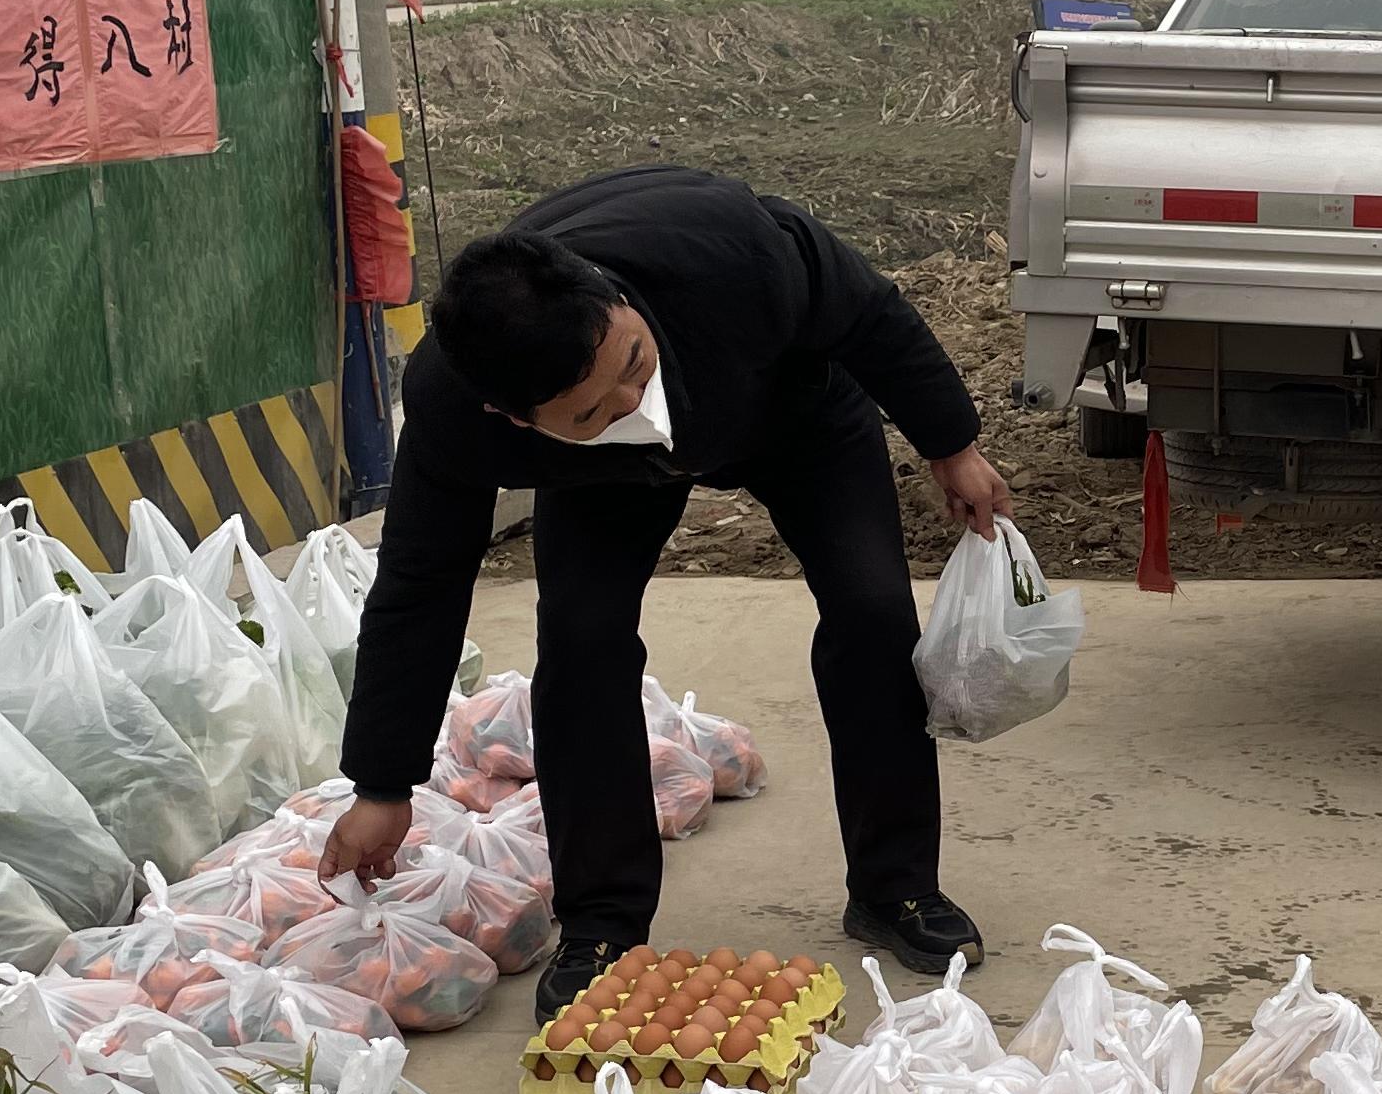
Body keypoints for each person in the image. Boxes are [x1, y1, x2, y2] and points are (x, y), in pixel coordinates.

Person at [327, 165, 1014, 1011]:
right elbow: (418, 586)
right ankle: (602, 926)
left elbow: (867, 308)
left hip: (786, 408)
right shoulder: (453, 412)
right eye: (594, 409)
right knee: (582, 650)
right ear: (514, 421)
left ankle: (894, 887)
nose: (633, 399)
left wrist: (951, 443)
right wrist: (382, 784)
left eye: (634, 362)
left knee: (873, 615)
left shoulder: (726, 248)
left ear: (612, 299)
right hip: (600, 485)